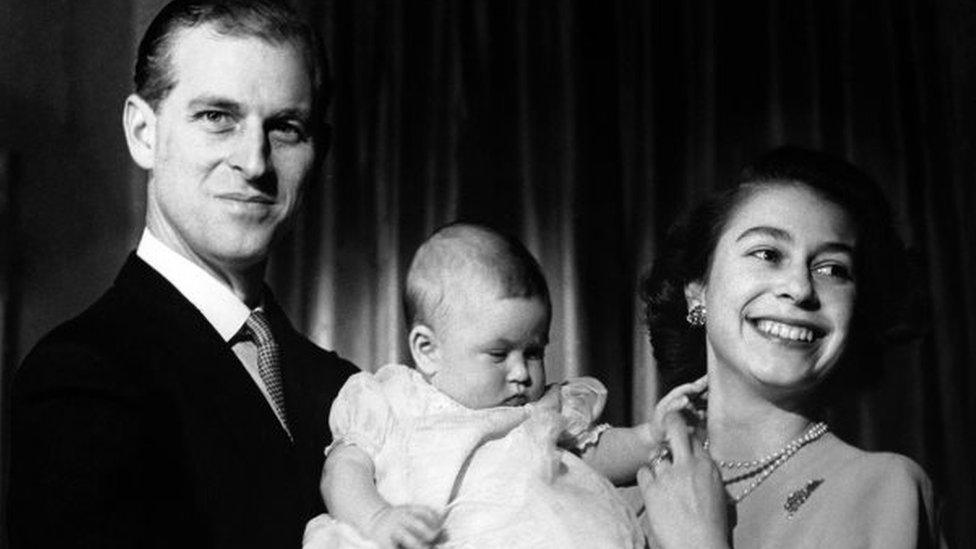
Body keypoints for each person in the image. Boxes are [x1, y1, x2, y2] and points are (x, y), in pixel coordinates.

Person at [6, 1, 358, 547]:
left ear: (320, 153)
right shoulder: (81, 376)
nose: (256, 163)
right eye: (217, 117)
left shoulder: (343, 386)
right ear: (143, 133)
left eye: (286, 128)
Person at [304, 223, 707, 549]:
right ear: (428, 350)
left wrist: (650, 436)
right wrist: (377, 518)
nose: (521, 373)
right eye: (499, 355)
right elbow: (341, 472)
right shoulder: (390, 400)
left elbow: (596, 455)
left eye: (533, 352)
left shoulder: (543, 409)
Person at [637, 147, 946, 548]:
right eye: (767, 254)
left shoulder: (886, 490)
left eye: (833, 269)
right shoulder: (630, 490)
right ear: (698, 291)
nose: (800, 289)